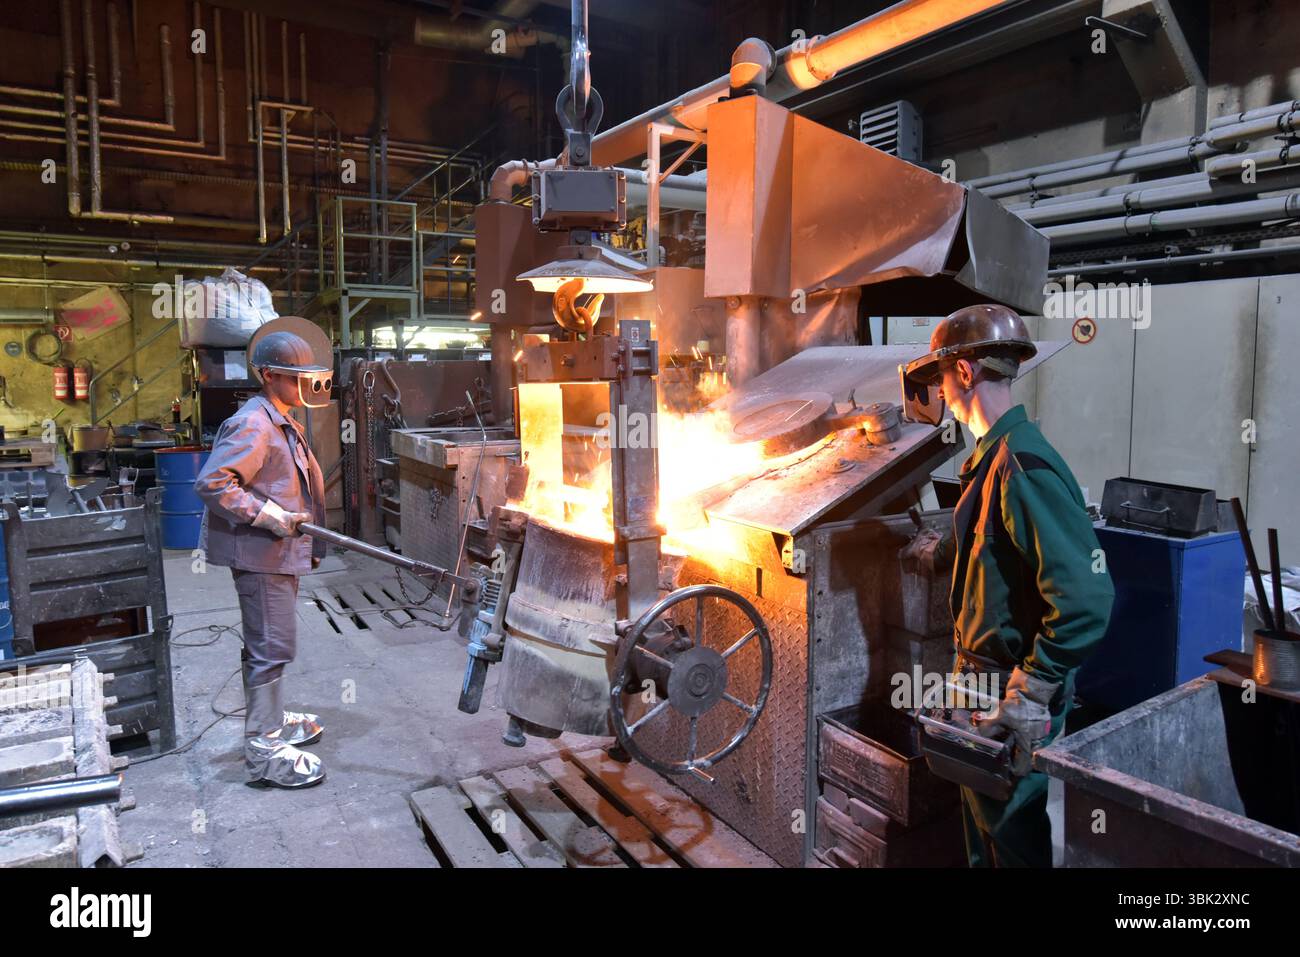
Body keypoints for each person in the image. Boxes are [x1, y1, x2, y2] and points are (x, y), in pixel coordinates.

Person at [902, 304, 1115, 867]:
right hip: (978, 682)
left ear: (965, 373)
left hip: (1007, 691)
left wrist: (1034, 686)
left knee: (1014, 839)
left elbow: (1088, 597)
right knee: (984, 836)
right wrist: (945, 548)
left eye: (942, 378)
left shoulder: (1022, 465)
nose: (940, 393)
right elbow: (996, 540)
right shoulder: (993, 457)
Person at [194, 329, 331, 788]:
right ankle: (264, 750)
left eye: (310, 378)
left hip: (277, 554)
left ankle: (271, 718)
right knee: (271, 648)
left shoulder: (280, 417)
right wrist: (270, 516)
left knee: (269, 644)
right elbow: (214, 484)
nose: (307, 387)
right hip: (261, 556)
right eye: (297, 379)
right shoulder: (254, 422)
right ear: (269, 375)